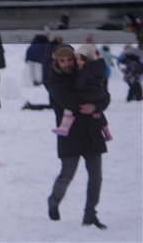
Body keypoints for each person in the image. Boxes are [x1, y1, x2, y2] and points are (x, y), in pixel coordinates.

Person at [46, 45, 109, 229]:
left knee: (96, 176)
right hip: (69, 132)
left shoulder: (86, 71)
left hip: (91, 130)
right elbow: (67, 101)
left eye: (69, 60)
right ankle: (54, 201)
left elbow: (105, 95)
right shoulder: (54, 79)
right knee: (67, 175)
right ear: (57, 62)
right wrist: (89, 103)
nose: (67, 64)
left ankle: (90, 215)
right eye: (62, 61)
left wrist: (96, 107)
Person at [54, 45, 113, 142]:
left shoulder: (85, 71)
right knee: (98, 115)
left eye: (79, 59)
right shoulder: (99, 69)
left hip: (86, 95)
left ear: (87, 59)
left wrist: (75, 90)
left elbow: (80, 85)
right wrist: (97, 107)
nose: (77, 61)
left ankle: (65, 126)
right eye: (76, 58)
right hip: (96, 95)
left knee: (69, 109)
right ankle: (107, 133)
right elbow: (105, 93)